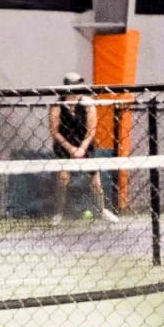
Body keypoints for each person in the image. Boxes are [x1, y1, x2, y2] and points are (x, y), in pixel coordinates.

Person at [45, 72, 118, 226]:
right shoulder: (57, 105)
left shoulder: (88, 104)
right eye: (74, 85)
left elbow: (91, 130)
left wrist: (82, 148)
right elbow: (54, 131)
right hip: (64, 145)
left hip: (84, 144)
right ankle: (58, 213)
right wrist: (71, 149)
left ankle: (101, 210)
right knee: (63, 178)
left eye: (79, 84)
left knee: (96, 181)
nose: (77, 88)